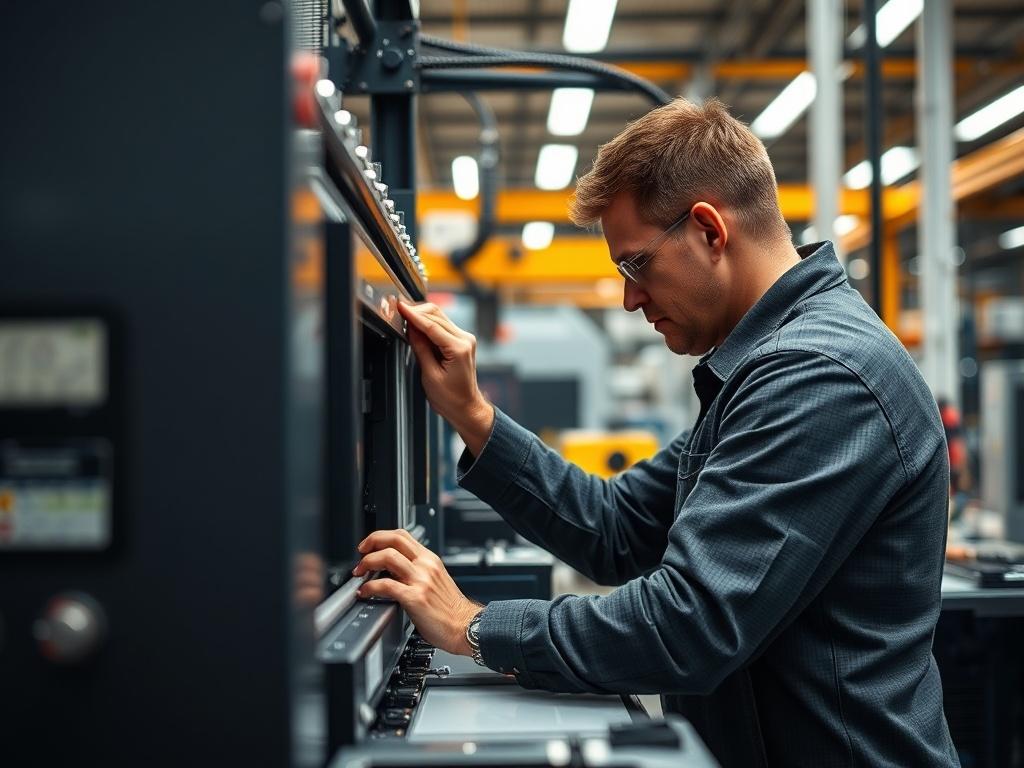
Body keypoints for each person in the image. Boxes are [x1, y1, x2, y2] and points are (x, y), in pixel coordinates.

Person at [352, 98, 959, 767]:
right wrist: (473, 414)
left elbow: (689, 625)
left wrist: (474, 626)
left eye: (635, 265)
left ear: (709, 230)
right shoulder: (763, 371)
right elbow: (617, 528)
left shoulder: (820, 376)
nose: (629, 299)